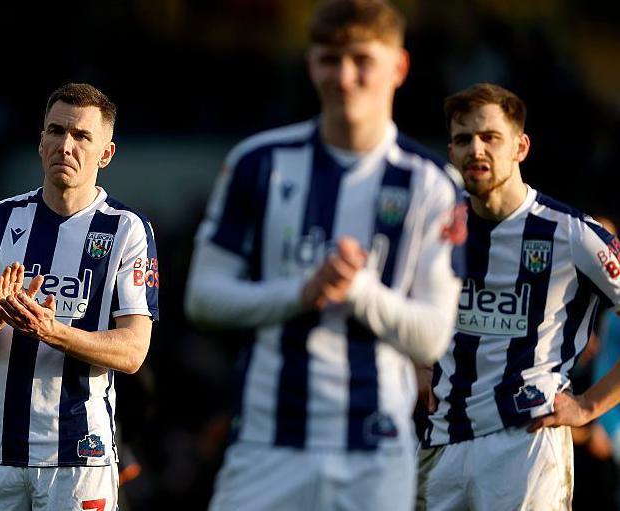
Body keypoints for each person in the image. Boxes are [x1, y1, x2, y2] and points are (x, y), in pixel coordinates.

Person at [183, 1, 464, 509]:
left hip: (375, 453)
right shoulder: (259, 163)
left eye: (362, 60)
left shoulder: (432, 186)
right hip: (266, 444)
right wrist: (301, 291)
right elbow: (203, 298)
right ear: (311, 64)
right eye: (330, 59)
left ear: (398, 66)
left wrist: (357, 292)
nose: (345, 76)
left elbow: (431, 335)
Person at [0, 82, 158, 511]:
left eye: (81, 136)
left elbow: (133, 350)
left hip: (78, 459)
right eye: (56, 132)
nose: (65, 145)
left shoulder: (126, 230)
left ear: (105, 154)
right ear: (41, 143)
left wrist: (52, 331)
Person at [417, 83, 620, 510]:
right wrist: (416, 360)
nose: (476, 149)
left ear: (520, 147)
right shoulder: (434, 230)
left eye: (490, 137)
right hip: (441, 440)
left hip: (524, 443)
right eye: (462, 139)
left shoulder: (573, 234)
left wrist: (588, 405)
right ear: (451, 153)